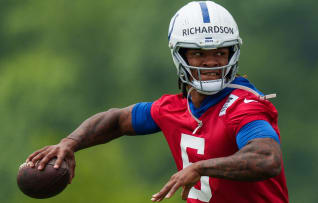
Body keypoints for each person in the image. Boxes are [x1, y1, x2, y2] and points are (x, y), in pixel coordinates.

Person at [26, 1, 288, 202]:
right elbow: (117, 120)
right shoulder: (173, 107)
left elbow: (267, 158)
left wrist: (201, 167)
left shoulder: (244, 106)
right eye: (198, 53)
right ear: (180, 56)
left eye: (220, 52)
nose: (211, 62)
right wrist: (70, 143)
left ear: (233, 52)